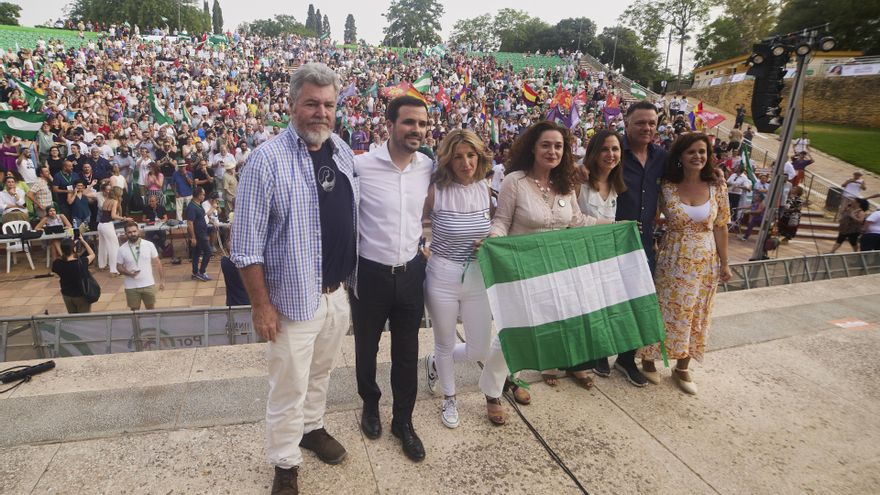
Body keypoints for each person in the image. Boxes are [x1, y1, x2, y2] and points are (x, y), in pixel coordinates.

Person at [231, 63, 358, 495]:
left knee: (321, 373)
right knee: (288, 386)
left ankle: (312, 427)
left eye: (329, 104)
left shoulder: (341, 150)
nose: (321, 112)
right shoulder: (265, 160)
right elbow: (245, 246)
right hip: (290, 301)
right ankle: (285, 461)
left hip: (336, 293)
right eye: (311, 104)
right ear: (291, 106)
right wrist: (261, 306)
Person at [485, 120, 604, 400]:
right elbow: (501, 221)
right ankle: (492, 394)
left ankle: (512, 378)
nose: (553, 151)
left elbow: (577, 221)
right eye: (546, 145)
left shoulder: (565, 185)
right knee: (512, 333)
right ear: (533, 148)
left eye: (558, 146)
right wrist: (494, 240)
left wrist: (616, 224)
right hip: (521, 270)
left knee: (535, 332)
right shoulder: (515, 181)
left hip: (555, 272)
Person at [351, 95, 432, 463]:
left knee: (407, 353)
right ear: (389, 125)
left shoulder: (427, 166)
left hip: (411, 273)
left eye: (422, 124)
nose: (417, 129)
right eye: (409, 122)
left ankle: (403, 421)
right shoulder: (361, 166)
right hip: (370, 275)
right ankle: (370, 403)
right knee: (366, 348)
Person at [639, 133, 731, 395]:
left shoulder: (717, 186)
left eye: (702, 152)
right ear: (680, 156)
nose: (697, 156)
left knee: (696, 312)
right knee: (663, 308)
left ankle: (682, 366)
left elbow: (721, 226)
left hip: (705, 261)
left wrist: (725, 263)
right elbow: (651, 216)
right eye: (691, 151)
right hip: (673, 257)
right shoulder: (667, 186)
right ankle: (648, 358)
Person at [421, 130, 495, 428]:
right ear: (448, 160)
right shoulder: (436, 191)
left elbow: (494, 228)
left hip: (477, 276)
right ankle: (449, 397)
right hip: (442, 275)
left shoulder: (485, 188)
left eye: (471, 155)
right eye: (458, 157)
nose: (466, 163)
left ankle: (434, 362)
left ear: (479, 157)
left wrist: (489, 243)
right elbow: (411, 223)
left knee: (479, 348)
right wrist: (422, 248)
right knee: (445, 341)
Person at [607, 100, 668, 386]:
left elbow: (692, 170)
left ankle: (626, 358)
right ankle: (597, 354)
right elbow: (587, 172)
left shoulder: (661, 156)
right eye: (640, 122)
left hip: (642, 243)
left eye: (652, 123)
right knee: (606, 300)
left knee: (637, 301)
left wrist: (714, 174)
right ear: (627, 123)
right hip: (611, 241)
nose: (647, 127)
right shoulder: (613, 149)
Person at [575, 129, 627, 374]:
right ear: (594, 152)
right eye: (604, 149)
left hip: (604, 256)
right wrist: (615, 226)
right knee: (580, 307)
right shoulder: (580, 181)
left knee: (600, 305)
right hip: (580, 255)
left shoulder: (615, 184)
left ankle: (597, 353)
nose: (610, 154)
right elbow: (573, 220)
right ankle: (572, 363)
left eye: (615, 149)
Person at [116, 221, 164, 310]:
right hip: (131, 286)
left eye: (134, 231)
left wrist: (162, 280)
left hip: (148, 284)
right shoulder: (121, 249)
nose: (132, 234)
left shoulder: (149, 245)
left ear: (138, 231)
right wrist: (129, 273)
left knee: (150, 309)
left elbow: (158, 262)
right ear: (126, 234)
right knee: (134, 311)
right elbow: (118, 267)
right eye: (129, 232)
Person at [51, 237, 96, 314]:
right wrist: (83, 241)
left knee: (73, 317)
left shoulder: (57, 263)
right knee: (84, 318)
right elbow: (92, 254)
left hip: (67, 295)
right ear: (74, 248)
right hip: (81, 295)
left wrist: (68, 244)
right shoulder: (81, 263)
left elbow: (58, 261)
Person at [97, 186, 127, 276]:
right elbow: (113, 216)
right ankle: (114, 270)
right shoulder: (114, 201)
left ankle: (102, 265)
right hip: (107, 225)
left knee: (102, 246)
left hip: (100, 225)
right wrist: (123, 218)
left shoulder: (106, 200)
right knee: (114, 247)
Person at [185, 186, 212, 282]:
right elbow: (190, 223)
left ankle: (195, 273)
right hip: (199, 234)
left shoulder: (198, 205)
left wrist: (212, 222)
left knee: (196, 253)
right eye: (203, 194)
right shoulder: (191, 207)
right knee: (208, 252)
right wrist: (193, 237)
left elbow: (202, 216)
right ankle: (202, 272)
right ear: (198, 195)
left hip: (202, 232)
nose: (204, 196)